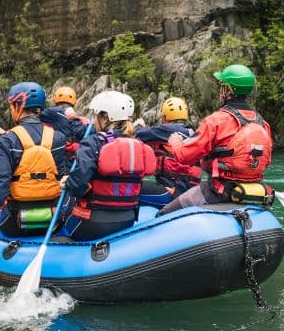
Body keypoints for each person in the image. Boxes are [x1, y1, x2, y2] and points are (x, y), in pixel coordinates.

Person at [156, 64, 273, 216]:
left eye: (221, 86)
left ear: (227, 90)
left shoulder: (216, 121)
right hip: (252, 190)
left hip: (217, 191)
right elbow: (267, 161)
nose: (220, 91)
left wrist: (175, 142)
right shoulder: (263, 124)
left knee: (164, 214)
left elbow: (183, 156)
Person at [0, 82, 67, 237]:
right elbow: (62, 179)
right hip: (52, 219)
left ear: (17, 107)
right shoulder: (58, 138)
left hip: (16, 222)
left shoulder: (5, 142)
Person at [60, 90, 156, 240]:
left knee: (64, 212)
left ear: (105, 118)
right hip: (128, 220)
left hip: (93, 223)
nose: (93, 120)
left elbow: (78, 185)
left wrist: (68, 183)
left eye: (95, 116)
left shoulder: (93, 142)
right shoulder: (138, 145)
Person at [135, 96, 201, 204]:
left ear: (165, 118)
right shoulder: (191, 131)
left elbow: (137, 134)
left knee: (130, 187)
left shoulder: (167, 130)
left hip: (172, 192)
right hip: (188, 192)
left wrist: (138, 125)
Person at [39, 85, 89, 161]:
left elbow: (38, 115)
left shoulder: (53, 112)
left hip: (59, 156)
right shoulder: (81, 119)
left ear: (56, 99)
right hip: (76, 158)